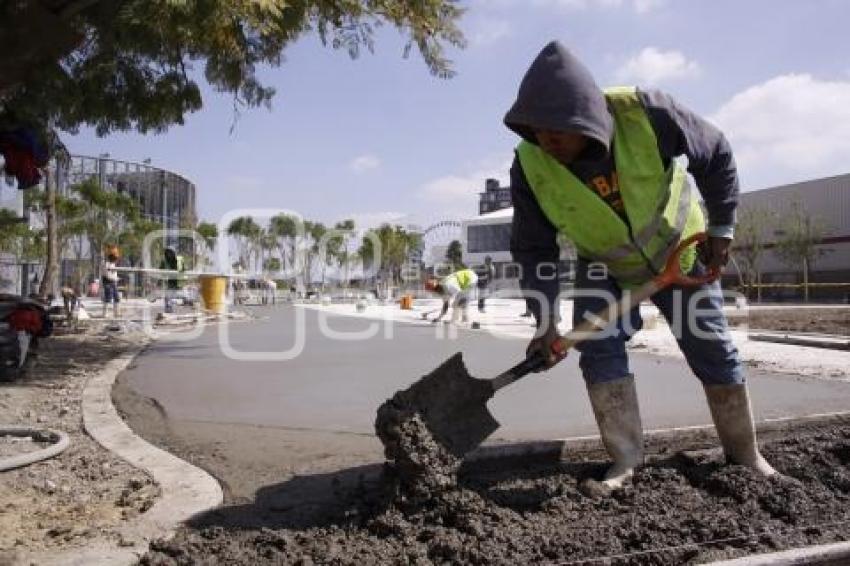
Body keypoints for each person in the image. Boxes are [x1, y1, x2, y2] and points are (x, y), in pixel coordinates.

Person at [505, 41, 775, 489]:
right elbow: (535, 250)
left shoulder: (645, 112)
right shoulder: (530, 163)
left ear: (585, 118)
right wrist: (546, 321)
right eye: (536, 130)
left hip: (679, 252)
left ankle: (745, 455)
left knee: (710, 346)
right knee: (598, 350)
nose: (545, 141)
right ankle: (625, 461)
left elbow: (716, 153)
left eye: (557, 130)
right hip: (603, 264)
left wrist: (722, 228)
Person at [160, 247, 185, 313]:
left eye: (170, 253)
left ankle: (173, 304)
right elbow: (160, 271)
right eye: (167, 253)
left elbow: (183, 269)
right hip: (169, 282)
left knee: (177, 296)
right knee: (168, 296)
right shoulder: (164, 261)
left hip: (178, 282)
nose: (169, 254)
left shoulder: (180, 259)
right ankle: (168, 310)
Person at [101, 252, 120, 319]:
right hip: (108, 282)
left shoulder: (113, 264)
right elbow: (107, 275)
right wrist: (115, 278)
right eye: (115, 258)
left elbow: (114, 273)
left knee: (117, 298)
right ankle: (104, 314)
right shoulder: (106, 264)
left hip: (113, 282)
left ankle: (116, 313)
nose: (116, 260)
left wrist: (116, 279)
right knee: (108, 298)